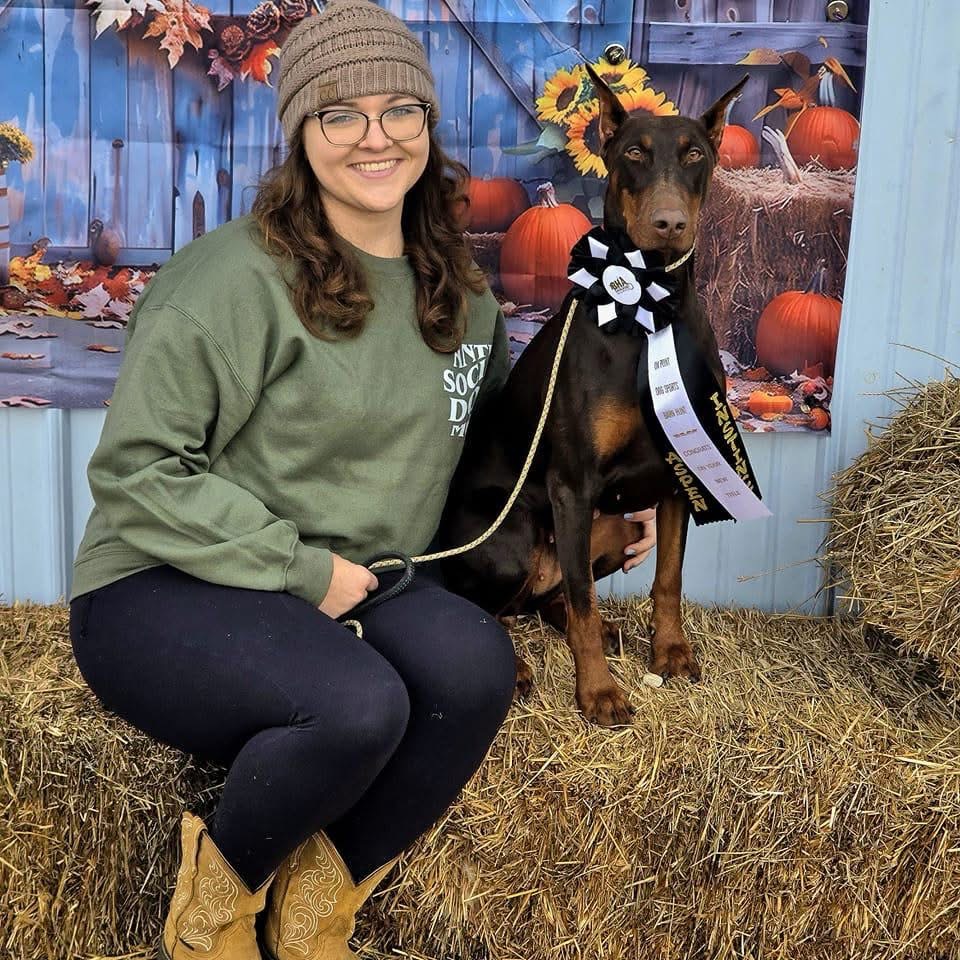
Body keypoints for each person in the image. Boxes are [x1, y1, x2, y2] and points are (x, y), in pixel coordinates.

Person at [67, 2, 656, 958]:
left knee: (471, 670)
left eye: (399, 111)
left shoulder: (461, 298)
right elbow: (138, 473)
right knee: (360, 705)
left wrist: (595, 519)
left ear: (428, 124)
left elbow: (497, 461)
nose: (375, 138)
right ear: (302, 134)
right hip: (167, 581)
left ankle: (314, 911)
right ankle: (211, 916)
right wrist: (302, 572)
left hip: (367, 578)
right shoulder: (226, 282)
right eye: (340, 114)